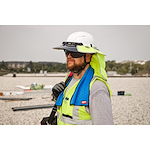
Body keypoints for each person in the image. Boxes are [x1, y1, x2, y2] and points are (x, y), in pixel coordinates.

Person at [41, 31, 114, 125]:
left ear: (88, 56)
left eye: (74, 53)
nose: (69, 56)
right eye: (67, 52)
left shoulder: (97, 88)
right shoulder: (69, 80)